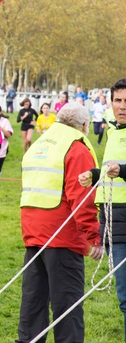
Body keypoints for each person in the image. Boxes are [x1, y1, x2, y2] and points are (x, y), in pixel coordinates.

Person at [17, 102, 103, 343]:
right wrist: (93, 235)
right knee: (68, 308)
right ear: (85, 126)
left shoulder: (39, 144)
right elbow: (82, 197)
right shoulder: (76, 147)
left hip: (33, 235)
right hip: (62, 238)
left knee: (33, 305)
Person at [78, 78, 126, 341]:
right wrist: (95, 174)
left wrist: (124, 171)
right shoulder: (112, 132)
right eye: (118, 100)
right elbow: (112, 169)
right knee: (124, 297)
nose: (122, 106)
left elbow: (122, 169)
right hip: (114, 223)